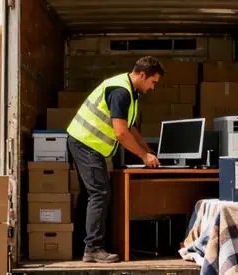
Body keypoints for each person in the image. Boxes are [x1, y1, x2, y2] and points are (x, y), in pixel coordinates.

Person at [66, 56, 164, 263]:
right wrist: (143, 156)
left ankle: (80, 245)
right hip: (86, 142)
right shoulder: (121, 92)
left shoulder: (130, 91)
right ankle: (93, 249)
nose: (153, 87)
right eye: (153, 82)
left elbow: (129, 127)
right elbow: (121, 133)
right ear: (142, 75)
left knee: (90, 194)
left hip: (85, 142)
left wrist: (148, 151)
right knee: (99, 193)